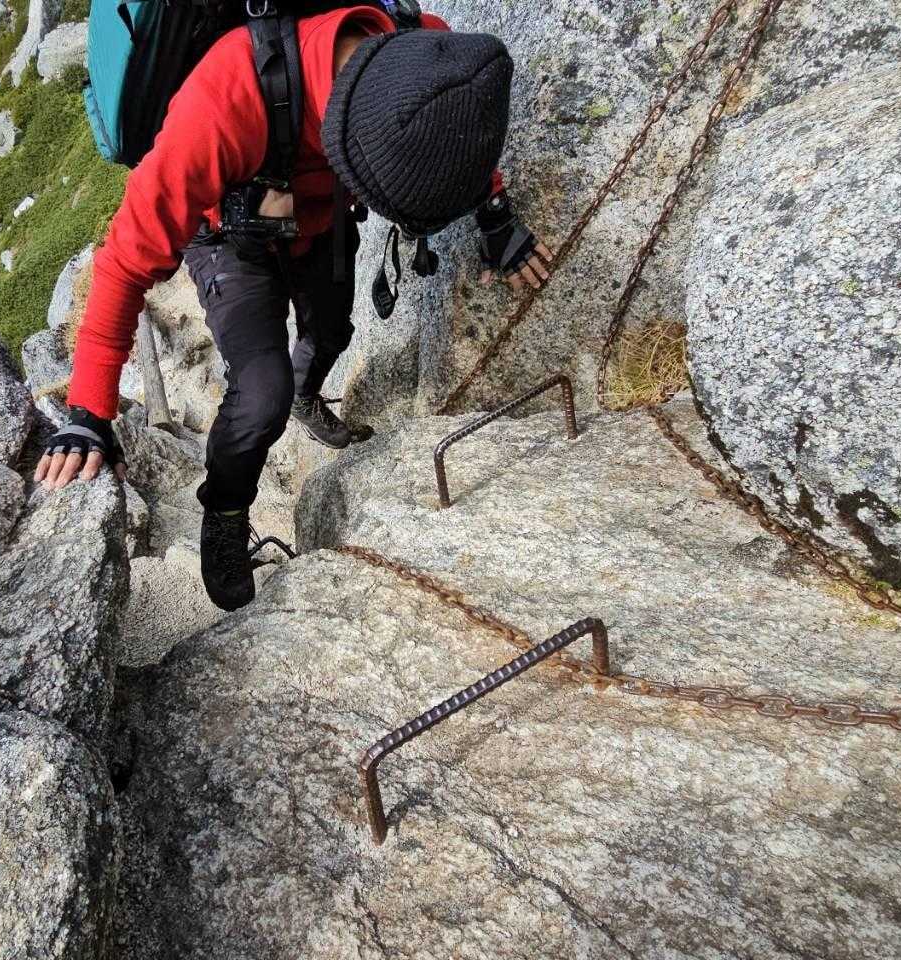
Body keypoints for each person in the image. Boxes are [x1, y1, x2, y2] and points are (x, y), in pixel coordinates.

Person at [37, 4, 554, 611]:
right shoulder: (221, 103)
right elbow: (123, 262)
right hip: (228, 236)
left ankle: (306, 397)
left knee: (333, 331)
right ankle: (225, 512)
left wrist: (494, 215)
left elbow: (456, 124)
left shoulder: (422, 51)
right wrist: (89, 413)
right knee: (262, 393)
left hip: (319, 217)